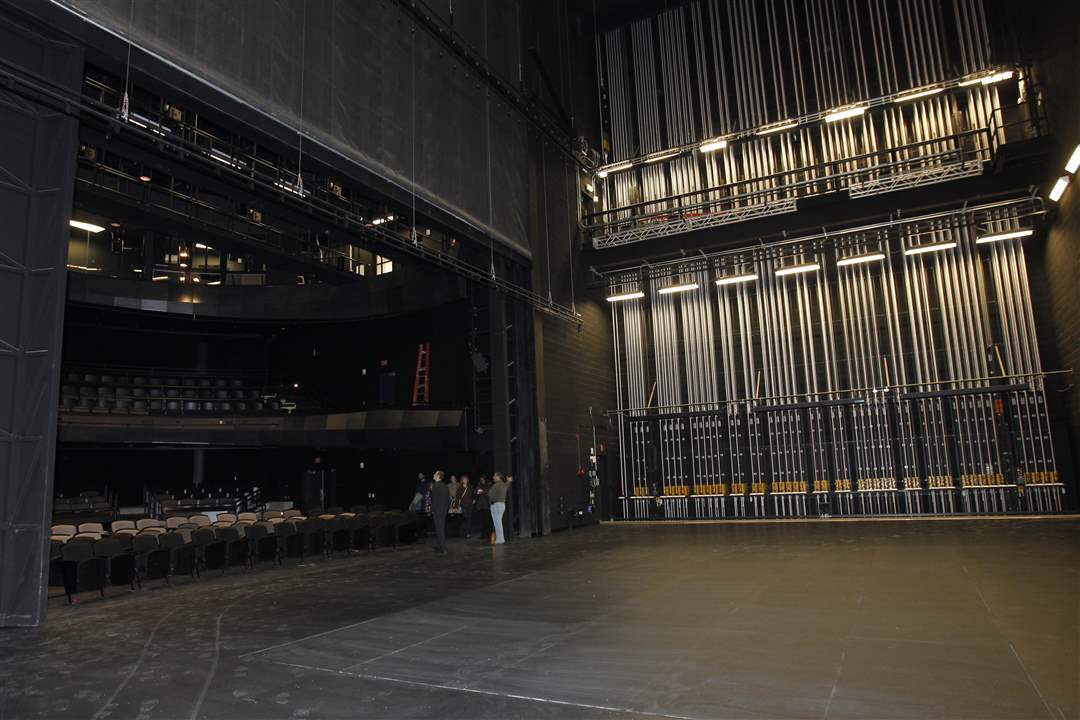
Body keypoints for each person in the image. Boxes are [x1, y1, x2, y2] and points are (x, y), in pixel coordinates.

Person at [488, 472, 512, 545]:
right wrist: (509, 481)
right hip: (502, 505)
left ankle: (500, 539)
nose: (493, 477)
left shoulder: (496, 485)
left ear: (498, 477)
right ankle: (500, 539)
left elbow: (489, 494)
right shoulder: (504, 484)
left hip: (496, 505)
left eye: (494, 476)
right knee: (498, 522)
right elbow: (508, 484)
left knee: (497, 523)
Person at [430, 470, 450, 553]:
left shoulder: (435, 485)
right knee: (440, 528)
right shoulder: (445, 486)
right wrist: (445, 510)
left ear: (438, 476)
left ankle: (443, 548)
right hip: (444, 511)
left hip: (438, 511)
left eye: (434, 474)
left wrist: (432, 510)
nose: (433, 475)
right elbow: (447, 500)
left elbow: (434, 500)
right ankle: (438, 546)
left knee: (439, 529)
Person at [475, 474, 492, 541]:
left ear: (485, 480)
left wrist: (483, 492)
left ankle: (488, 535)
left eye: (482, 479)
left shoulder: (489, 485)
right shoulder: (479, 485)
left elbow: (489, 494)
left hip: (487, 506)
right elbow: (476, 492)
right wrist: (477, 492)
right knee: (482, 521)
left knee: (488, 521)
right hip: (481, 506)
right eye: (480, 480)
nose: (481, 481)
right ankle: (483, 534)